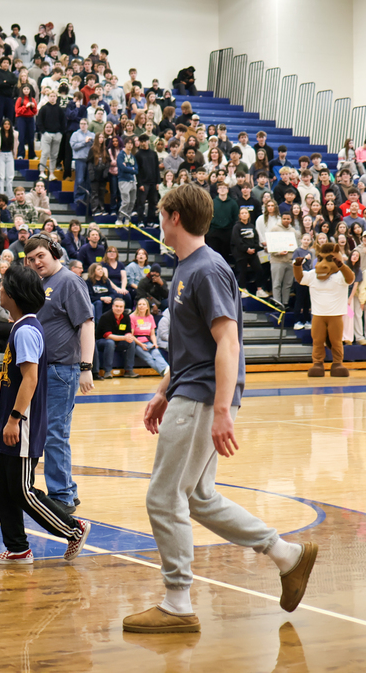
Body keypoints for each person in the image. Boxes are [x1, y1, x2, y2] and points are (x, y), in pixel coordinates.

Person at [124, 183, 317, 634]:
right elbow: (194, 349)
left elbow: (227, 342)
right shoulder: (188, 267)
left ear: (174, 217)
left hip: (203, 398)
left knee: (163, 496)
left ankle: (177, 603)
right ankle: (287, 556)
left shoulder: (206, 269)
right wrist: (162, 390)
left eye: (160, 211)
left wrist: (223, 408)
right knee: (197, 497)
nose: (157, 217)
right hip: (189, 390)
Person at [0, 264, 91, 565]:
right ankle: (18, 548)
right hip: (12, 419)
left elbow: (30, 379)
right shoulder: (20, 327)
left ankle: (73, 528)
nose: (0, 290)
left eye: (4, 285)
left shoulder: (27, 331)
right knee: (2, 487)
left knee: (21, 489)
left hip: (22, 422)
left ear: (15, 294)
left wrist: (14, 418)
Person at [23, 233, 94, 513]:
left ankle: (62, 496)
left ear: (54, 252)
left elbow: (86, 324)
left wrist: (86, 367)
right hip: (42, 370)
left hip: (62, 370)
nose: (36, 262)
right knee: (47, 432)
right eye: (31, 259)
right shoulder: (42, 283)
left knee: (54, 433)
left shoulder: (68, 281)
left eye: (40, 255)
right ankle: (67, 489)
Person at [95, 297, 138, 379]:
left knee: (131, 342)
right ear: (113, 306)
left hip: (118, 341)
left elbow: (128, 332)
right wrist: (125, 338)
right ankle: (107, 371)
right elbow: (108, 336)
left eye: (121, 307)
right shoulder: (105, 317)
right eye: (117, 306)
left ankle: (129, 370)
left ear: (124, 308)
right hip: (102, 341)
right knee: (110, 342)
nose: (119, 308)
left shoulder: (126, 317)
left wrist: (128, 336)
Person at [131, 297, 169, 376]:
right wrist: (141, 345)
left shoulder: (150, 317)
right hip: (137, 343)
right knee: (148, 357)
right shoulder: (132, 317)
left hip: (148, 341)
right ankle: (166, 374)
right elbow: (131, 335)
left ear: (147, 307)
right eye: (139, 304)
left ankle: (167, 370)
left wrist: (155, 343)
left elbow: (152, 334)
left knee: (156, 353)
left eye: (143, 304)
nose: (141, 306)